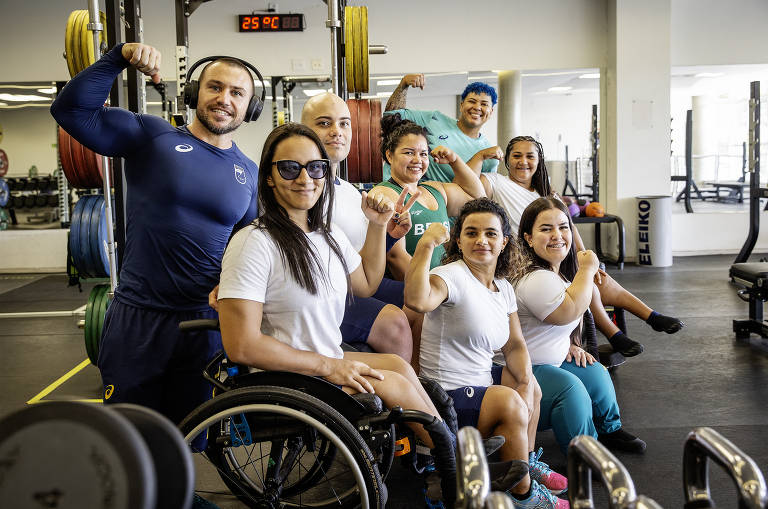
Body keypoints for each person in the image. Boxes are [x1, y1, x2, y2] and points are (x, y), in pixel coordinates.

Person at [216, 122, 464, 502]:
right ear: (268, 178)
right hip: (286, 377)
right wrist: (330, 367)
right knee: (397, 386)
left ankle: (446, 458)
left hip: (319, 366)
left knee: (401, 369)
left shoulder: (323, 236)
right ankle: (456, 473)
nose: (305, 178)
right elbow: (242, 345)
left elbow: (365, 282)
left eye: (315, 168)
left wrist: (378, 226)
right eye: (289, 168)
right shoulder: (254, 242)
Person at [51, 43, 260, 424]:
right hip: (139, 317)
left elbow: (245, 246)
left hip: (203, 322)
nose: (224, 99)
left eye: (237, 92)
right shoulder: (153, 137)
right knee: (127, 432)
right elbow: (70, 110)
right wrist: (118, 57)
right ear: (197, 92)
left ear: (250, 107)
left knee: (188, 430)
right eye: (215, 87)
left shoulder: (249, 172)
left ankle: (178, 487)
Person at [405, 198, 568, 508]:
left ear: (504, 241)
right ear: (458, 240)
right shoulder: (450, 275)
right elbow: (418, 300)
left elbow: (515, 344)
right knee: (509, 403)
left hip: (478, 384)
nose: (481, 240)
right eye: (471, 233)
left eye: (491, 233)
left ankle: (523, 463)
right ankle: (523, 495)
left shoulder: (502, 287)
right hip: (446, 396)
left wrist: (522, 381)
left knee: (529, 384)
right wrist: (425, 246)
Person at [479, 136, 684, 357]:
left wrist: (585, 255)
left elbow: (570, 226)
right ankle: (623, 331)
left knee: (597, 278)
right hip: (526, 256)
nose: (523, 161)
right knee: (589, 284)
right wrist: (480, 156)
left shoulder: (547, 192)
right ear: (507, 160)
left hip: (556, 251)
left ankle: (647, 318)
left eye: (530, 156)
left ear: (539, 161)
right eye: (516, 155)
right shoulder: (496, 182)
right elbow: (469, 181)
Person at [511, 196, 646, 455]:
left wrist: (570, 344)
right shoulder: (535, 277)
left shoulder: (555, 271)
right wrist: (587, 268)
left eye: (563, 227)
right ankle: (586, 453)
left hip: (552, 358)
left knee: (596, 373)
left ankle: (610, 430)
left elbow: (566, 319)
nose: (557, 235)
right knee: (572, 390)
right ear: (528, 238)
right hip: (522, 369)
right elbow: (569, 311)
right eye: (546, 229)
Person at [299, 92, 415, 359]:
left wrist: (388, 235)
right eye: (324, 123)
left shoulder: (351, 191)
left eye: (344, 123)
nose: (337, 132)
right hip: (323, 291)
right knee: (395, 323)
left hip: (357, 282)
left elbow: (362, 258)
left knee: (424, 300)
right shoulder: (304, 189)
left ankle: (422, 383)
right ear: (304, 131)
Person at [369, 115, 486, 280]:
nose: (417, 160)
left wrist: (455, 161)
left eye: (423, 154)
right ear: (389, 156)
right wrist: (429, 288)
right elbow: (395, 258)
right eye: (409, 152)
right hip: (415, 291)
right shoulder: (384, 193)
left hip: (445, 284)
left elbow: (478, 199)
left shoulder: (435, 189)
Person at [384, 76, 504, 182]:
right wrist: (403, 85)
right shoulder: (434, 119)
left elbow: (477, 191)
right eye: (472, 101)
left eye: (484, 104)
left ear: (491, 111)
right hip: (403, 193)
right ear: (461, 106)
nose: (477, 107)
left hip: (449, 204)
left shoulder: (489, 155)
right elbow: (391, 116)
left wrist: (481, 155)